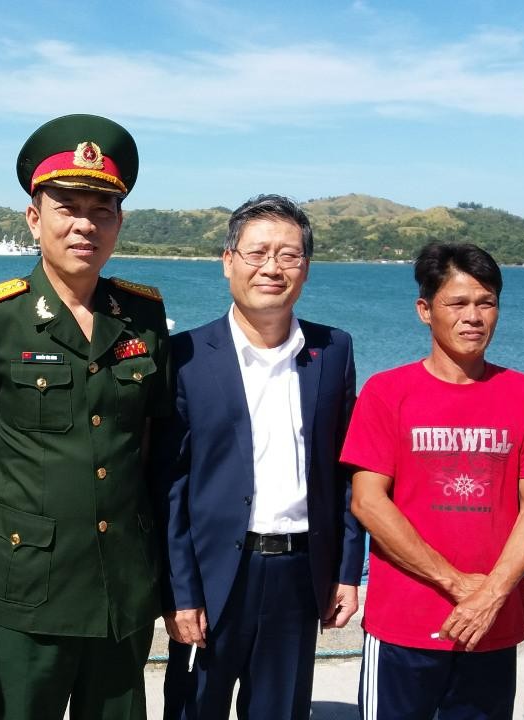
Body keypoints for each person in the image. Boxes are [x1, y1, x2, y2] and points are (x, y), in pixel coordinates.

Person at [0, 113, 172, 720]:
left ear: (119, 223)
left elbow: (144, 444)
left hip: (122, 583)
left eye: (102, 208)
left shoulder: (142, 318)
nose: (85, 223)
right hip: (23, 586)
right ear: (34, 218)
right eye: (66, 205)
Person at [156, 195, 364, 719]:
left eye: (289, 255)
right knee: (194, 707)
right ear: (228, 261)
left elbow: (344, 470)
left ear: (306, 269)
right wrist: (179, 592)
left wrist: (345, 571)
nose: (272, 267)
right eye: (257, 253)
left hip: (298, 573)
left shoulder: (332, 351)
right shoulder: (184, 356)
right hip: (213, 575)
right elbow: (170, 483)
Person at [341, 243, 524, 719]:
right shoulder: (387, 392)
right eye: (457, 304)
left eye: (486, 302)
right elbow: (368, 502)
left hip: (491, 627)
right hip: (403, 623)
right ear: (425, 310)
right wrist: (458, 584)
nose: (473, 317)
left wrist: (492, 595)